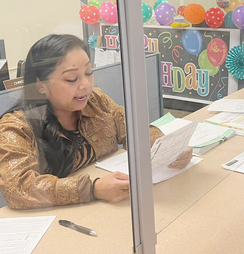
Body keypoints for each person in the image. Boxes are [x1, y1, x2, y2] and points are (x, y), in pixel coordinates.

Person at [0, 34, 193, 209]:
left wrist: (166, 148)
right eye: (71, 79)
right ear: (40, 85)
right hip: (59, 220)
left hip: (110, 208)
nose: (85, 85)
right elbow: (18, 188)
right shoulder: (16, 127)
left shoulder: (95, 100)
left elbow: (133, 129)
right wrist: (93, 188)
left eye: (89, 73)